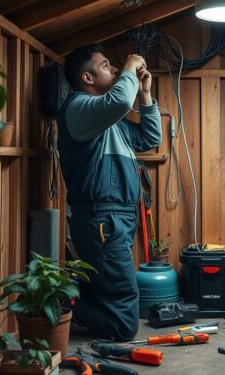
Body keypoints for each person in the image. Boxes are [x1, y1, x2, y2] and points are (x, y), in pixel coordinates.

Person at [58, 44, 162, 340]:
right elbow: (117, 102)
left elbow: (149, 137)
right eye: (107, 65)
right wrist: (129, 67)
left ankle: (71, 301)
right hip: (103, 218)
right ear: (87, 78)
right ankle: (62, 302)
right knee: (125, 325)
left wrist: (144, 95)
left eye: (116, 66)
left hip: (115, 219)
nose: (115, 69)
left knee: (109, 290)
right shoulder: (77, 107)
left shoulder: (107, 119)